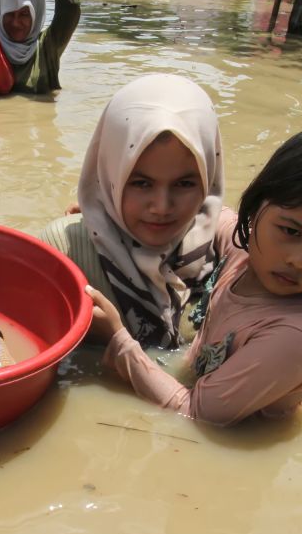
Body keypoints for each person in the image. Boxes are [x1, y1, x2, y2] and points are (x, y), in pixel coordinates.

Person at [86, 126, 302, 425]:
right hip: (195, 371)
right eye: (290, 231)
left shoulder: (293, 338)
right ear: (257, 207)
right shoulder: (246, 252)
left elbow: (194, 415)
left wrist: (118, 340)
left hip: (221, 423)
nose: (299, 260)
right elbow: (201, 214)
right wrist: (111, 218)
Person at [39, 74, 226, 349]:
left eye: (184, 184)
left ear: (209, 178)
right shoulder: (63, 252)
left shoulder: (225, 249)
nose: (162, 207)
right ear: (111, 175)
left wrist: (118, 342)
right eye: (141, 183)